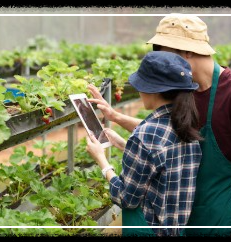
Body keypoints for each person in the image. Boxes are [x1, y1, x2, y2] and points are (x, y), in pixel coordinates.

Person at [87, 14, 231, 237]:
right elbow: (167, 136)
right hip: (184, 216)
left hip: (222, 216)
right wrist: (115, 117)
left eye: (163, 52)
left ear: (187, 51)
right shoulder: (184, 90)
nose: (162, 61)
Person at [86, 51, 203, 237]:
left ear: (153, 89)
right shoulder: (185, 125)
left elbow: (126, 198)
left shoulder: (146, 135)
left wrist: (102, 161)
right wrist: (125, 144)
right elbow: (159, 163)